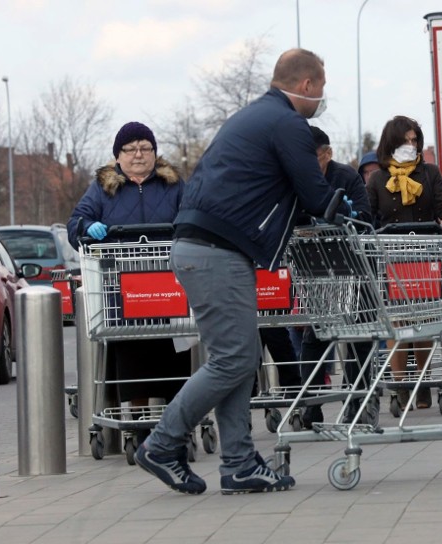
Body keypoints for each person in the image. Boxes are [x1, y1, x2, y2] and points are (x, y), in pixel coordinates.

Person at [135, 48, 351, 495]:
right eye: (322, 90)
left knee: (236, 359)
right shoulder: (289, 123)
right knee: (236, 359)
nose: (322, 99)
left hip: (209, 247)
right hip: (216, 250)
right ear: (307, 86)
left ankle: (238, 463)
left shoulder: (258, 117)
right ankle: (162, 442)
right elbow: (313, 191)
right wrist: (345, 212)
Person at [67, 121, 189, 438]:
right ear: (118, 155)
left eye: (145, 147)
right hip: (123, 288)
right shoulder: (103, 189)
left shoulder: (174, 186)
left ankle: (176, 421)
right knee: (132, 351)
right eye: (130, 148)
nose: (138, 154)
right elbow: (76, 222)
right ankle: (137, 424)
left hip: (169, 284)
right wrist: (86, 227)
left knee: (173, 351)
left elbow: (194, 214)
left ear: (154, 153)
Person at [366, 115, 442, 408]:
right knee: (398, 325)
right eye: (406, 140)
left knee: (423, 322)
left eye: (415, 140)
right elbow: (369, 215)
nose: (411, 145)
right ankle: (401, 387)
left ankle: (422, 384)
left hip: (426, 254)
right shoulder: (378, 178)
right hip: (391, 257)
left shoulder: (429, 173)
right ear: (392, 143)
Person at [299, 125, 373, 426]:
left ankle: (358, 398)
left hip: (351, 264)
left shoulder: (346, 177)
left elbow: (366, 218)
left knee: (359, 333)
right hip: (313, 264)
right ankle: (312, 401)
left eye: (311, 157)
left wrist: (339, 216)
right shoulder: (297, 178)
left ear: (327, 154)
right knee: (315, 333)